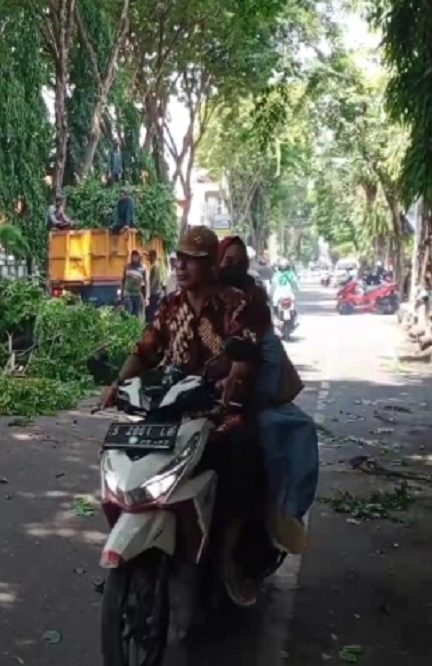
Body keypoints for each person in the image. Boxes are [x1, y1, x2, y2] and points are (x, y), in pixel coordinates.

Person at [101, 226, 265, 606]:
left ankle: (227, 556)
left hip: (218, 413)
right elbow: (145, 350)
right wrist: (117, 383)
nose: (181, 265)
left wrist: (236, 371)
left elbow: (246, 347)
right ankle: (134, 553)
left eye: (191, 259)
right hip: (171, 411)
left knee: (242, 458)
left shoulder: (235, 303)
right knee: (128, 457)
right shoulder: (170, 305)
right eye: (179, 258)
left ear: (210, 265)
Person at [218, 237, 316, 557]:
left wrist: (251, 397)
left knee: (294, 432)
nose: (231, 266)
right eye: (225, 259)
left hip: (250, 399)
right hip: (203, 400)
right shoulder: (200, 302)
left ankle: (282, 515)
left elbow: (260, 355)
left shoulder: (254, 302)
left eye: (237, 260)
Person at [120, 250, 148, 319]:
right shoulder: (127, 266)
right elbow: (123, 280)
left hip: (137, 295)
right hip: (128, 294)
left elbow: (147, 282)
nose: (135, 257)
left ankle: (134, 328)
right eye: (133, 256)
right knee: (128, 313)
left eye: (136, 256)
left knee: (136, 315)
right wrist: (121, 293)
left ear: (139, 257)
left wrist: (147, 297)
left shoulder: (143, 268)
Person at [146, 249, 165, 322]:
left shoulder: (155, 266)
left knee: (152, 313)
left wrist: (149, 293)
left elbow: (155, 281)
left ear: (153, 256)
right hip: (155, 293)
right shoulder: (154, 266)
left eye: (150, 256)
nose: (148, 258)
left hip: (155, 293)